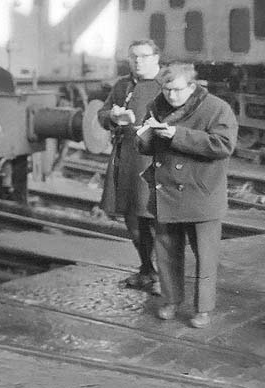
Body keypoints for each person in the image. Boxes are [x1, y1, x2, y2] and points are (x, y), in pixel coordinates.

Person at [137, 62, 237, 328]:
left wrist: (176, 135)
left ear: (192, 87)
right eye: (166, 89)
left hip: (201, 192)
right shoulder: (158, 105)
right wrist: (144, 135)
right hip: (166, 191)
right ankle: (171, 300)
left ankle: (203, 308)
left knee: (205, 256)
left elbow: (223, 145)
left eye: (177, 90)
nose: (171, 96)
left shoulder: (216, 108)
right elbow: (145, 145)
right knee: (167, 252)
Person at [96, 39, 162, 293]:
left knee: (154, 219)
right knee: (132, 219)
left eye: (144, 56)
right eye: (134, 56)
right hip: (124, 158)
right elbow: (102, 113)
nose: (138, 61)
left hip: (151, 159)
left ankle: (160, 274)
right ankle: (146, 270)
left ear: (156, 57)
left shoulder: (164, 85)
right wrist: (112, 117)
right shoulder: (122, 84)